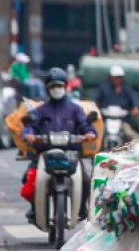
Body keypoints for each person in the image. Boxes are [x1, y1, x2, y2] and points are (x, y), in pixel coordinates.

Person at [19, 68, 97, 219]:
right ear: (47, 88)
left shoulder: (75, 109)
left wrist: (89, 133)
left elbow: (86, 126)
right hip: (44, 153)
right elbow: (30, 126)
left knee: (86, 181)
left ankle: (82, 208)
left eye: (59, 85)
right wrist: (28, 134)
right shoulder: (40, 110)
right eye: (53, 86)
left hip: (71, 153)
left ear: (65, 86)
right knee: (28, 179)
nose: (56, 89)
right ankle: (35, 208)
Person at [92, 65, 139, 137]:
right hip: (106, 119)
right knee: (98, 134)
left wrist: (135, 107)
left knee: (129, 134)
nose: (117, 79)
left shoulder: (127, 89)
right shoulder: (103, 88)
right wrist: (94, 106)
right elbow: (96, 98)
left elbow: (134, 98)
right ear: (110, 77)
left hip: (123, 120)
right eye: (115, 77)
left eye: (119, 77)